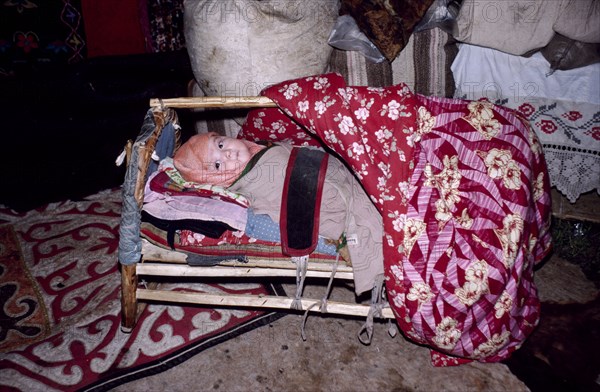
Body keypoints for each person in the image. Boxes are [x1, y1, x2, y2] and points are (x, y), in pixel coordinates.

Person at [173, 131, 384, 296]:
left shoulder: (258, 148)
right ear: (219, 181)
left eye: (220, 144)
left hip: (336, 171)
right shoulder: (252, 180)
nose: (227, 153)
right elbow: (285, 201)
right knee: (367, 215)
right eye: (218, 165)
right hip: (333, 201)